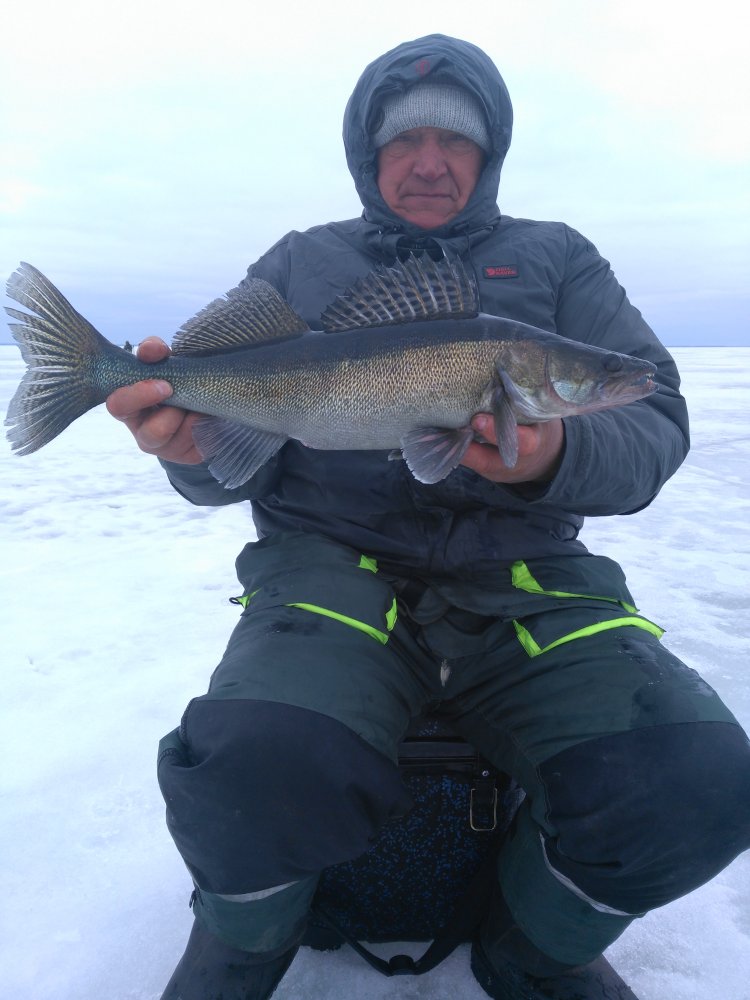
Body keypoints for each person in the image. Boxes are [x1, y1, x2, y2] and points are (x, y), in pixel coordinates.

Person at [107, 34, 750, 1000]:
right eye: (404, 141)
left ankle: (536, 948)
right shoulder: (301, 260)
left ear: (491, 154)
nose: (430, 162)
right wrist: (191, 454)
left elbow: (655, 419)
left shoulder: (559, 258)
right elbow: (225, 462)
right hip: (328, 571)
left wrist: (553, 454)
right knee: (247, 762)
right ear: (367, 155)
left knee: (698, 776)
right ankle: (247, 940)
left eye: (456, 140)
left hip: (530, 583)